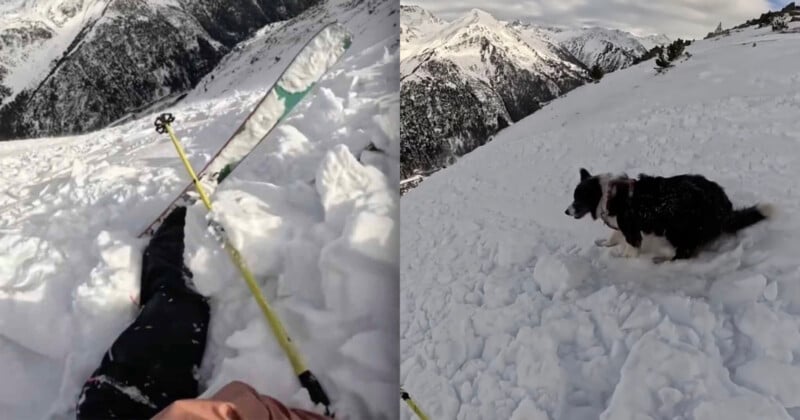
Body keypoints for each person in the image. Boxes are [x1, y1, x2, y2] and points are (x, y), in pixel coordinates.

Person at [76, 207, 329, 420]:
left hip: (124, 396)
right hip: (129, 397)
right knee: (176, 305)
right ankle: (179, 228)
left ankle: (178, 227)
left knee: (175, 302)